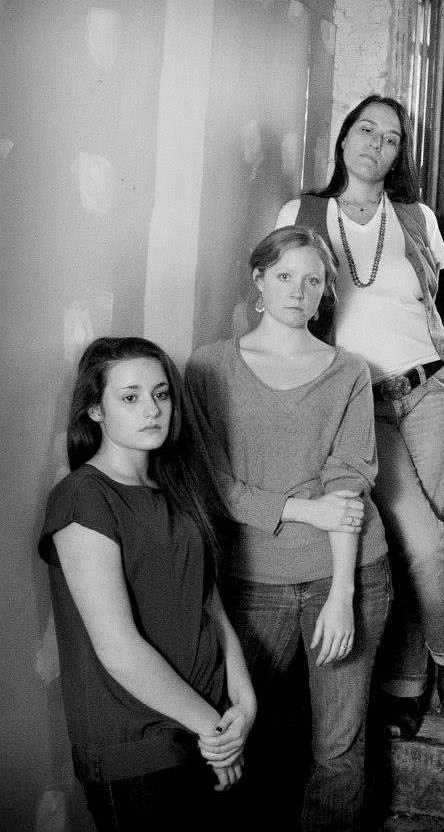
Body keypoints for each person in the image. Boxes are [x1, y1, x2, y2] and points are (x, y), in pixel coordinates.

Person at [276, 94, 444, 738]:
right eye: (366, 130)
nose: (376, 144)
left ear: (397, 155)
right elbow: (290, 301)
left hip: (433, 391)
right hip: (361, 402)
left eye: (390, 138)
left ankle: (408, 687)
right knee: (418, 541)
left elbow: (428, 304)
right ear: (343, 139)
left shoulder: (416, 218)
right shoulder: (303, 213)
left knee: (428, 539)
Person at [185, 226, 391, 830]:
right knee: (233, 731)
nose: (298, 291)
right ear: (258, 281)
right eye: (283, 277)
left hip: (348, 573)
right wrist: (303, 510)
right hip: (253, 579)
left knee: (337, 748)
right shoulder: (209, 367)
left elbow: (347, 488)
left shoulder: (349, 371)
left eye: (312, 280)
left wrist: (343, 595)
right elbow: (213, 484)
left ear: (326, 290)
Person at [39, 337, 256, 831]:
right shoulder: (83, 497)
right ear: (96, 409)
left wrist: (243, 705)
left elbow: (210, 607)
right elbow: (118, 648)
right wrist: (213, 730)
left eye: (161, 394)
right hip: (139, 752)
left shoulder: (176, 488)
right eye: (130, 397)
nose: (152, 409)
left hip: (208, 729)